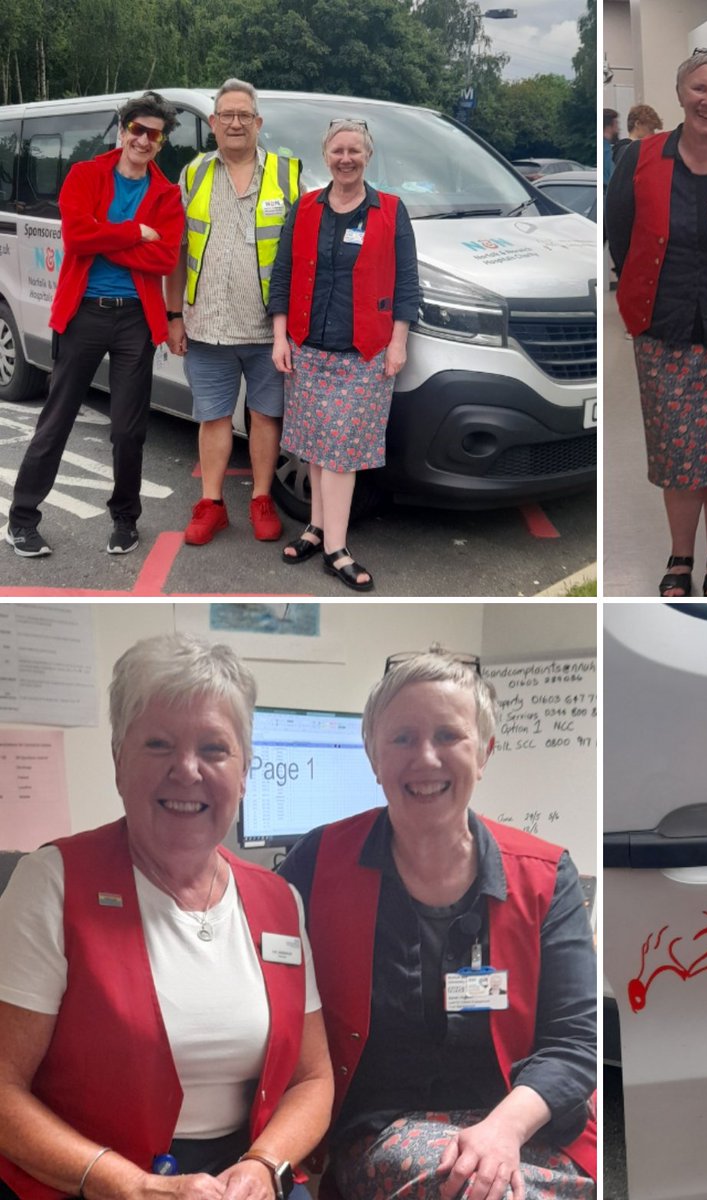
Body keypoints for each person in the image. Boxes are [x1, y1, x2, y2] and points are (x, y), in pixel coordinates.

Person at [0, 634, 333, 1200]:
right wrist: (129, 1184)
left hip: (241, 1173)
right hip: (89, 1177)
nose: (187, 769)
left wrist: (261, 1165)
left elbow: (313, 1078)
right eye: (158, 744)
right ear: (118, 761)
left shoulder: (280, 900)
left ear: (245, 773)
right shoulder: (52, 883)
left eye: (214, 749)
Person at [277, 650, 596, 1200]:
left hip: (521, 1125)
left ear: (485, 752)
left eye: (449, 736)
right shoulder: (318, 863)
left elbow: (573, 1043)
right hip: (382, 1131)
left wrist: (503, 1129)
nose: (425, 758)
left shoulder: (546, 875)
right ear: (374, 757)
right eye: (402, 738)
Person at [4, 93, 185, 560]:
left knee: (128, 430)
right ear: (123, 131)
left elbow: (165, 258)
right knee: (57, 418)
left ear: (161, 142)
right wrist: (133, 233)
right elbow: (77, 236)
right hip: (83, 313)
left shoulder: (166, 195)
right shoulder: (86, 175)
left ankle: (126, 520)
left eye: (154, 134)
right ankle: (21, 520)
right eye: (137, 130)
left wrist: (105, 236)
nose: (144, 140)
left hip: (135, 320)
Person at [607, 49, 707, 596]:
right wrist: (637, 301)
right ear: (680, 94)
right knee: (677, 451)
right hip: (662, 329)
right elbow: (619, 233)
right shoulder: (642, 157)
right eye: (700, 88)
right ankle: (680, 556)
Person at [268, 118, 419, 593]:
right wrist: (279, 337)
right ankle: (315, 528)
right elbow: (283, 273)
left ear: (368, 156)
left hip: (364, 352)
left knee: (341, 454)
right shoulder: (305, 207)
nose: (346, 158)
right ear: (326, 156)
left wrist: (399, 341)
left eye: (355, 150)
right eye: (338, 151)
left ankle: (336, 548)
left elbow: (406, 282)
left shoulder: (390, 210)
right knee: (315, 444)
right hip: (307, 348)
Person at [166, 79, 302, 549]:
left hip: (269, 330)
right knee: (213, 417)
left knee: (266, 417)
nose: (236, 123)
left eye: (245, 115)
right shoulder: (193, 174)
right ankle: (212, 504)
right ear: (213, 123)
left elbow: (305, 253)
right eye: (227, 115)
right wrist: (174, 315)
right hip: (208, 325)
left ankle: (261, 499)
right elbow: (178, 249)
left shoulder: (288, 175)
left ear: (258, 122)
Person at [602, 109, 620, 186]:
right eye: (616, 124)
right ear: (608, 128)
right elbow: (614, 183)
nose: (618, 129)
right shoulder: (608, 153)